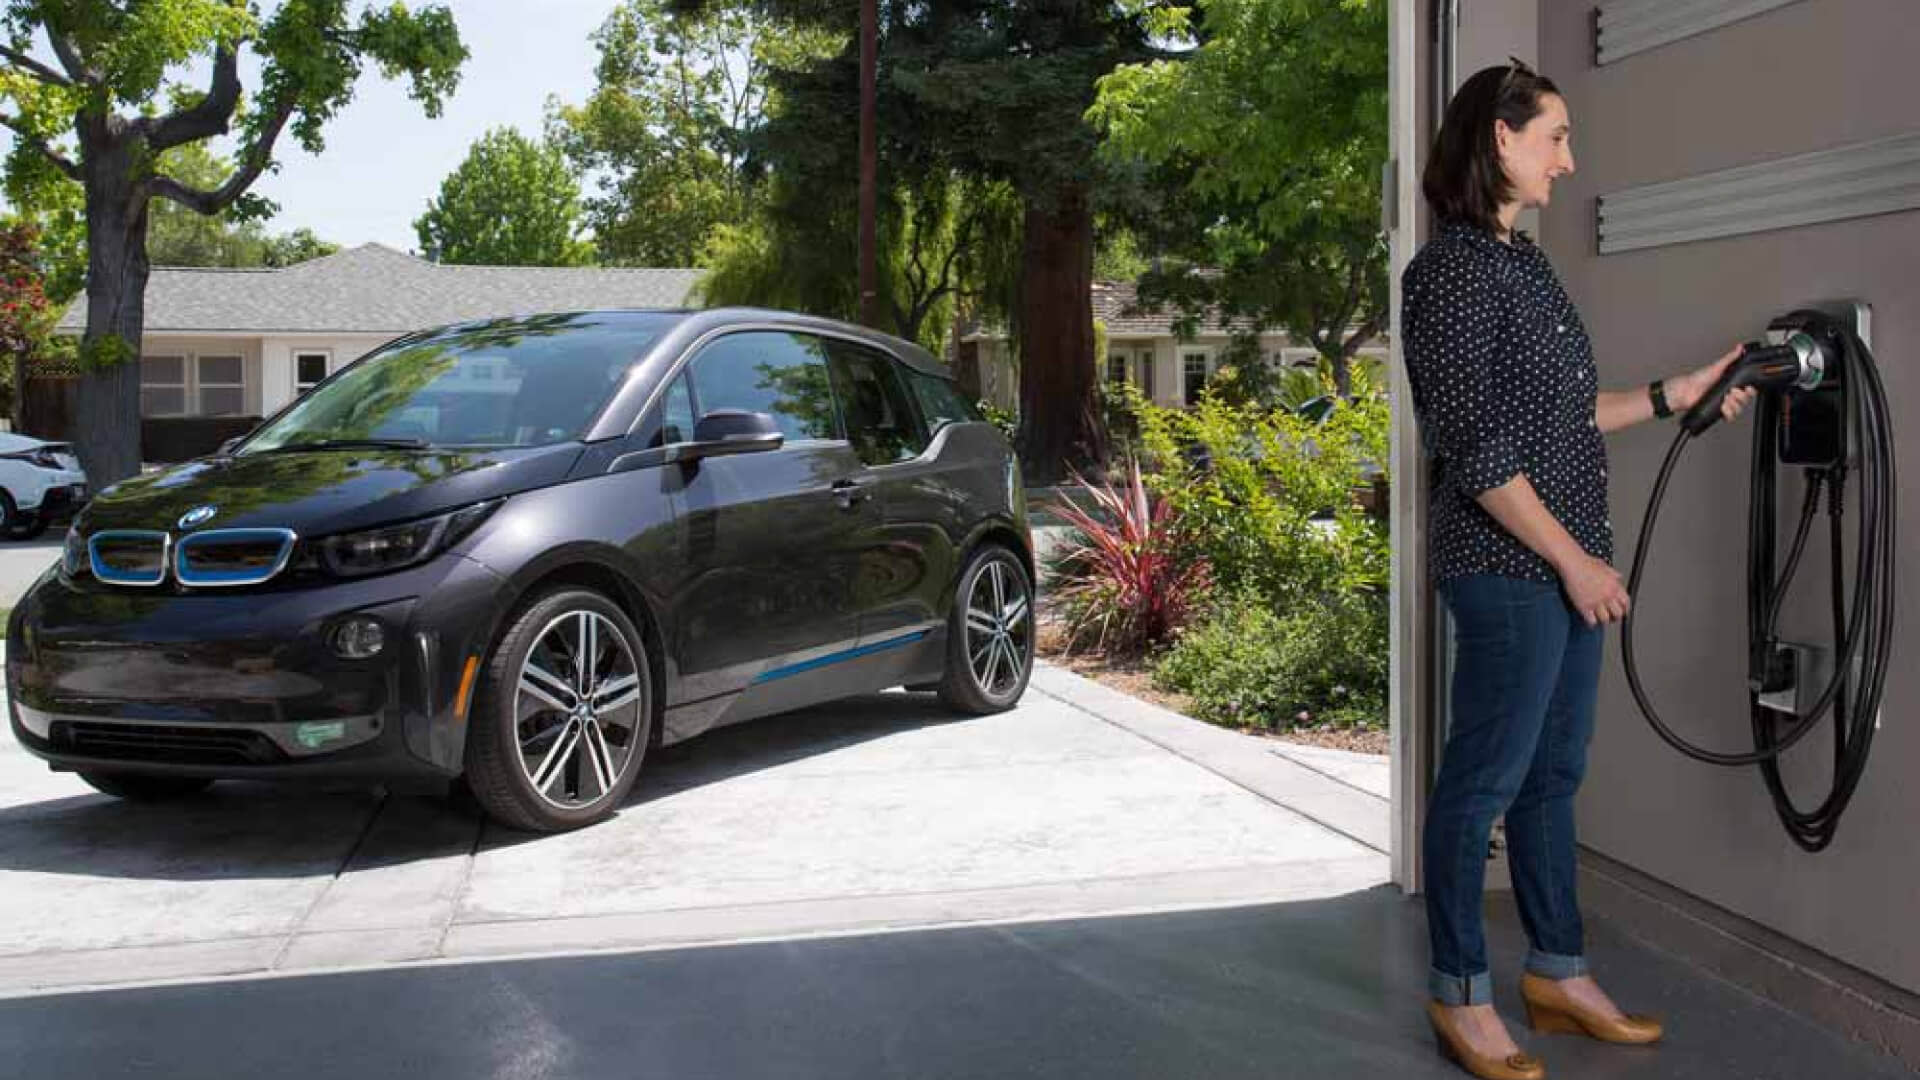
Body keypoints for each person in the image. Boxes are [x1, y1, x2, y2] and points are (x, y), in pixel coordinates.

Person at [1401, 59, 1758, 1080]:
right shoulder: (1452, 273)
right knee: (1482, 785)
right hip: (1510, 569)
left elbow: (1557, 419)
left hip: (1561, 565)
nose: (1570, 156)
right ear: (1499, 141)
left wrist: (1668, 393)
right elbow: (1478, 455)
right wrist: (1575, 566)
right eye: (1554, 136)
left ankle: (1557, 973)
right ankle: (1460, 995)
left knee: (1553, 781)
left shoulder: (1525, 263)